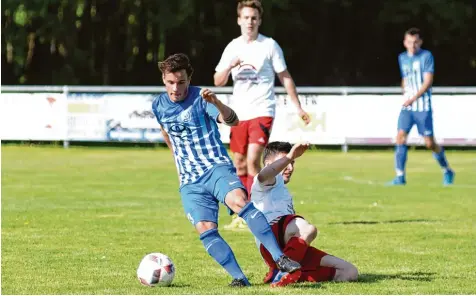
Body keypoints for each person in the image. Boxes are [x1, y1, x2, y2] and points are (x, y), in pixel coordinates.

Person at [152, 53, 302, 287]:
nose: (175, 88)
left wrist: (217, 103)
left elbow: (232, 121)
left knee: (239, 201)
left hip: (215, 167)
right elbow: (165, 131)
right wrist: (176, 158)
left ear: (189, 79)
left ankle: (279, 258)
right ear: (163, 79)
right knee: (205, 229)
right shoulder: (158, 105)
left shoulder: (202, 98)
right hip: (189, 181)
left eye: (181, 82)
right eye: (170, 82)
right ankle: (240, 279)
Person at [214, 0, 311, 230]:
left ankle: (260, 210)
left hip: (262, 110)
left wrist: (298, 107)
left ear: (259, 20)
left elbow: (285, 77)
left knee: (252, 160)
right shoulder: (233, 47)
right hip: (238, 114)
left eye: (254, 18)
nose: (250, 22)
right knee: (239, 163)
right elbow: (218, 80)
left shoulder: (269, 46)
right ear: (239, 20)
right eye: (246, 17)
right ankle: (244, 211)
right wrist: (229, 66)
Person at [251, 141, 358, 285]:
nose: (290, 167)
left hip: (289, 246)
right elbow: (264, 175)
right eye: (285, 162)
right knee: (307, 229)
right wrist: (289, 156)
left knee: (349, 272)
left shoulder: (283, 190)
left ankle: (281, 275)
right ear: (268, 163)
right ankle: (283, 271)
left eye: (293, 162)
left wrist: (288, 158)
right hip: (271, 241)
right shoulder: (266, 181)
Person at [388, 27, 455, 186]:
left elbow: (427, 81)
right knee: (400, 137)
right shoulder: (402, 58)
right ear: (405, 43)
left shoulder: (426, 56)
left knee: (429, 143)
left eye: (416, 42)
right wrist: (404, 91)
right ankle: (400, 176)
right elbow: (405, 78)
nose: (413, 45)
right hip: (408, 107)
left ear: (420, 42)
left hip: (422, 107)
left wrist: (413, 98)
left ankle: (447, 170)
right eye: (410, 42)